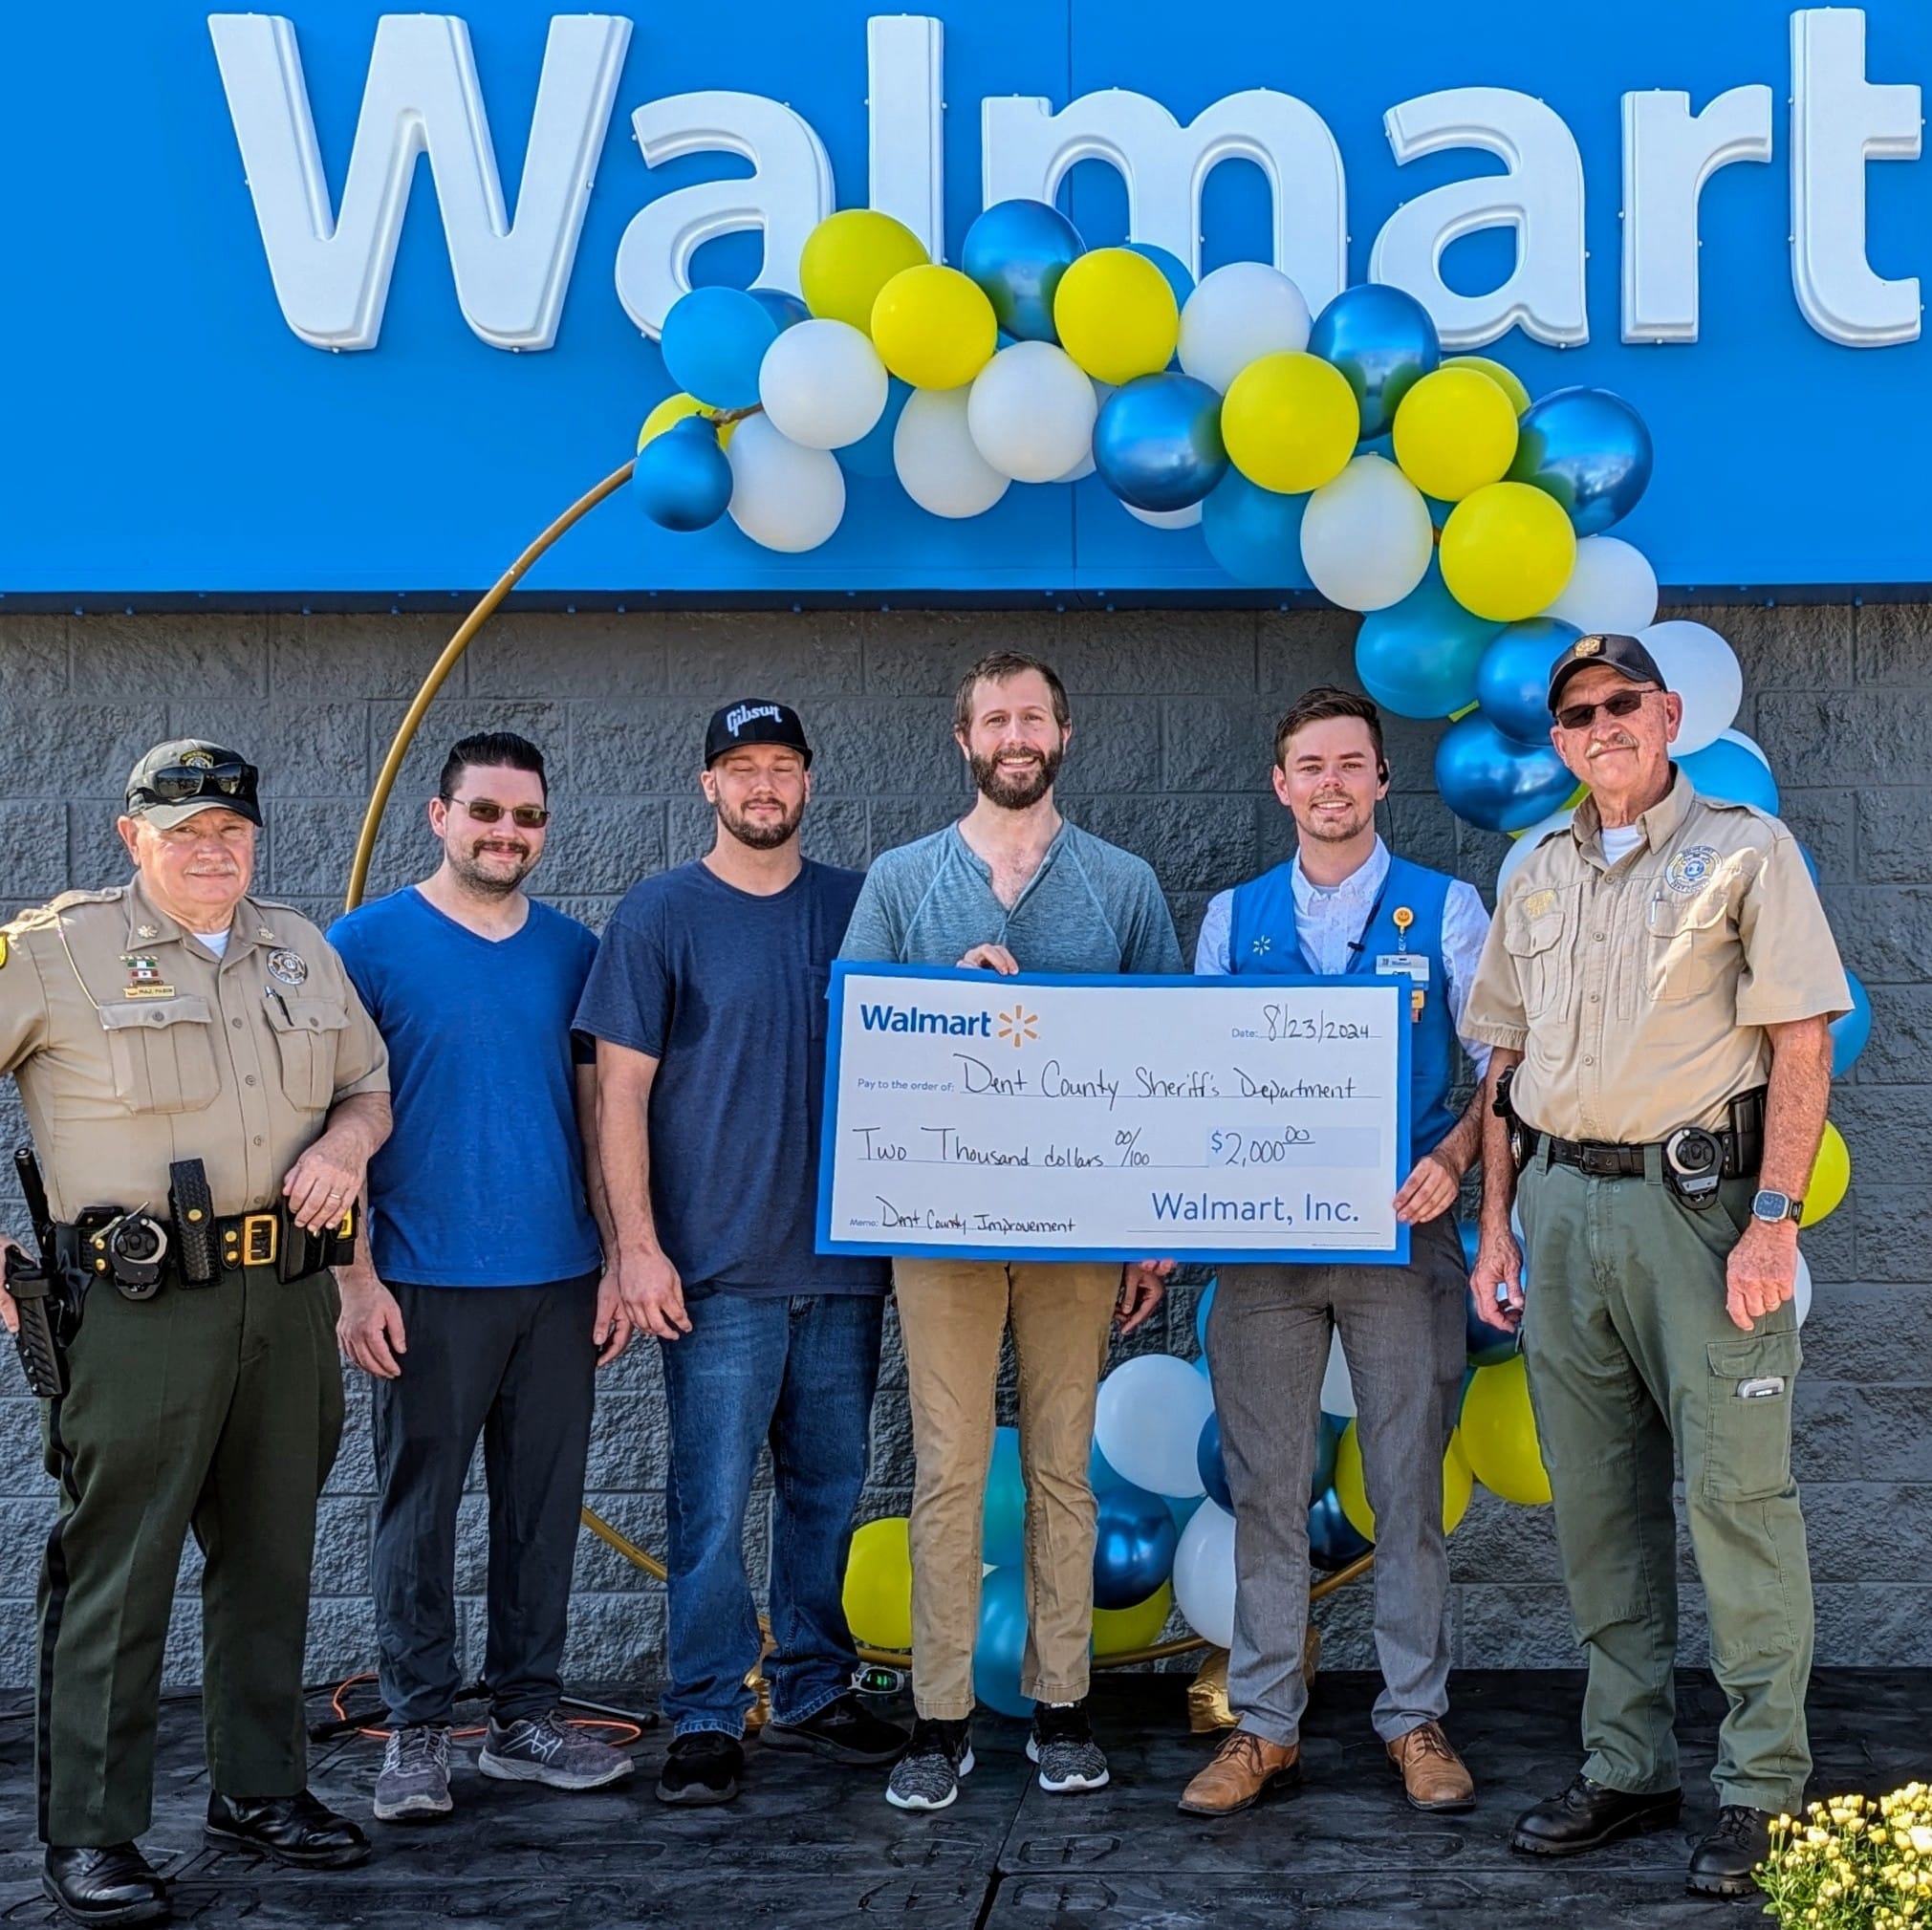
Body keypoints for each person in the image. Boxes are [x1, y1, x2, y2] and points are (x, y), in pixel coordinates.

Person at [1464, 633, 1849, 1900]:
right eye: (1576, 712)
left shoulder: (1746, 850)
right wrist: (1498, 1224)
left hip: (1701, 1215)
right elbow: (1502, 1063)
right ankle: (1626, 1765)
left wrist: (1773, 1221)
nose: (1601, 725)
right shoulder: (1534, 867)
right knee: (1598, 1509)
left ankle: (1762, 1786)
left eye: (1621, 701)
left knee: (1736, 1503)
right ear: (1557, 739)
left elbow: (1801, 1043)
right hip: (1561, 1209)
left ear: (1668, 711)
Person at [0, 740, 390, 1926]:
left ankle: (258, 1790)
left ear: (255, 836)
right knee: (118, 1570)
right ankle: (92, 1833)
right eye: (183, 834)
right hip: (138, 1311)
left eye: (230, 830)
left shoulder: (301, 948)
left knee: (272, 1557)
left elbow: (367, 1086)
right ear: (134, 838)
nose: (211, 851)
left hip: (286, 1296)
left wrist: (346, 1145)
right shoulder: (56, 950)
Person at [837, 650, 1183, 1812]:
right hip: (937, 1224)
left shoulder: (1119, 883)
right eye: (994, 719)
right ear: (964, 740)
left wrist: (1148, 1225)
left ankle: (1061, 1705)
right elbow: (855, 1041)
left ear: (1062, 734)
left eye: (1032, 716)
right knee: (943, 1468)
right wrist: (948, 1004)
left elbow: (1164, 1061)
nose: (1014, 735)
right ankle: (936, 1719)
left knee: (1060, 1469)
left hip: (1075, 1230)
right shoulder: (902, 880)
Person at [575, 699, 905, 1809]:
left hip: (843, 1269)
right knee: (709, 1502)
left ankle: (812, 1687)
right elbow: (618, 1094)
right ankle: (710, 1709)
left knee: (828, 1490)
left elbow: (932, 1029)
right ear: (707, 784)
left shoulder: (860, 906)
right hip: (712, 1273)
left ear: (806, 781)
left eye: (781, 765)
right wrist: (634, 1249)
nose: (762, 784)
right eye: (741, 767)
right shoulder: (659, 913)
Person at [1176, 686, 1490, 1818]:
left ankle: (1412, 1717)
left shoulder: (1446, 909)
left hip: (1399, 1233)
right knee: (1266, 1487)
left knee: (1406, 1485)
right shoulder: (1231, 919)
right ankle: (1263, 1727)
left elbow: (1500, 1070)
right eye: (1309, 766)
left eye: (1350, 764)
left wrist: (1454, 1156)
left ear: (1380, 781)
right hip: (1262, 1249)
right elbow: (1191, 1078)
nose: (1330, 783)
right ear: (1280, 785)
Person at [327, 731, 634, 1823]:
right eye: (487, 812)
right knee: (417, 1513)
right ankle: (416, 1729)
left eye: (527, 817)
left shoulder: (574, 953)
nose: (508, 833)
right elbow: (330, 1124)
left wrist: (615, 1260)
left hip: (558, 1279)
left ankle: (523, 1719)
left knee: (540, 1511)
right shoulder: (364, 945)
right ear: (439, 816)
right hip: (421, 1282)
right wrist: (354, 1280)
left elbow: (601, 1121)